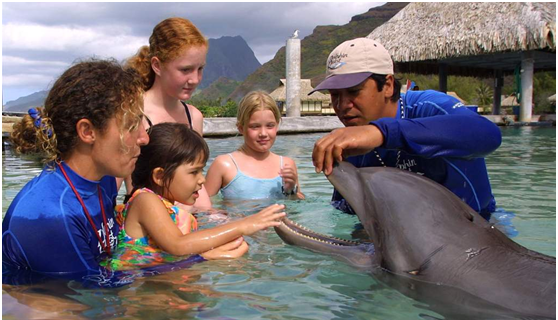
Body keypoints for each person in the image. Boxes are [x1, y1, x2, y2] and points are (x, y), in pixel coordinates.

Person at [310, 38, 502, 219]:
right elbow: (344, 210)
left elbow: (488, 134)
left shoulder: (429, 108)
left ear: (387, 85)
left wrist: (381, 132)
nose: (343, 105)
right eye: (334, 95)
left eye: (354, 91)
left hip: (479, 230)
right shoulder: (349, 144)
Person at [3, 59, 149, 279]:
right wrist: (195, 261)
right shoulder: (52, 215)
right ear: (87, 131)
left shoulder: (104, 179)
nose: (144, 138)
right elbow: (85, 299)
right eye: (130, 125)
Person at [102, 122, 286, 271]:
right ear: (160, 176)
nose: (202, 179)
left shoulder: (167, 206)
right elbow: (178, 245)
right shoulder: (145, 200)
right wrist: (243, 226)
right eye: (194, 172)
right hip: (138, 291)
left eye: (202, 170)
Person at [125, 17, 212, 208]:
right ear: (157, 65)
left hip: (189, 220)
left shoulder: (194, 117)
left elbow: (195, 175)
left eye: (200, 69)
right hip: (152, 225)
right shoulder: (132, 113)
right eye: (186, 70)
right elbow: (111, 186)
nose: (195, 79)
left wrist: (213, 215)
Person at [205, 91, 305, 200]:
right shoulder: (224, 165)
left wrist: (291, 191)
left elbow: (297, 206)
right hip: (239, 217)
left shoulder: (286, 165)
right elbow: (203, 207)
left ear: (277, 125)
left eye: (270, 126)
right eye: (255, 127)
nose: (263, 133)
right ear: (241, 128)